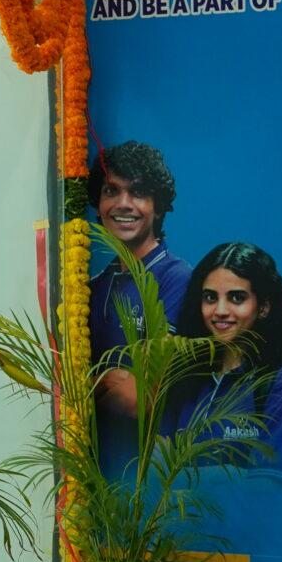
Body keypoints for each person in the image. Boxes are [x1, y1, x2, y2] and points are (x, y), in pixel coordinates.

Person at [87, 141, 191, 472]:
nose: (123, 204)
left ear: (158, 208)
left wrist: (88, 384)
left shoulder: (178, 280)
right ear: (98, 205)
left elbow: (139, 399)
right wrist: (108, 381)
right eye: (111, 191)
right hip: (93, 473)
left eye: (138, 193)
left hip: (150, 480)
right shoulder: (93, 288)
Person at [163, 242, 282, 478]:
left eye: (237, 298)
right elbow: (154, 472)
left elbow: (271, 485)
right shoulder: (185, 375)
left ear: (264, 307)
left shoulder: (279, 382)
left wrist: (183, 476)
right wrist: (236, 474)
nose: (220, 310)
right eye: (210, 297)